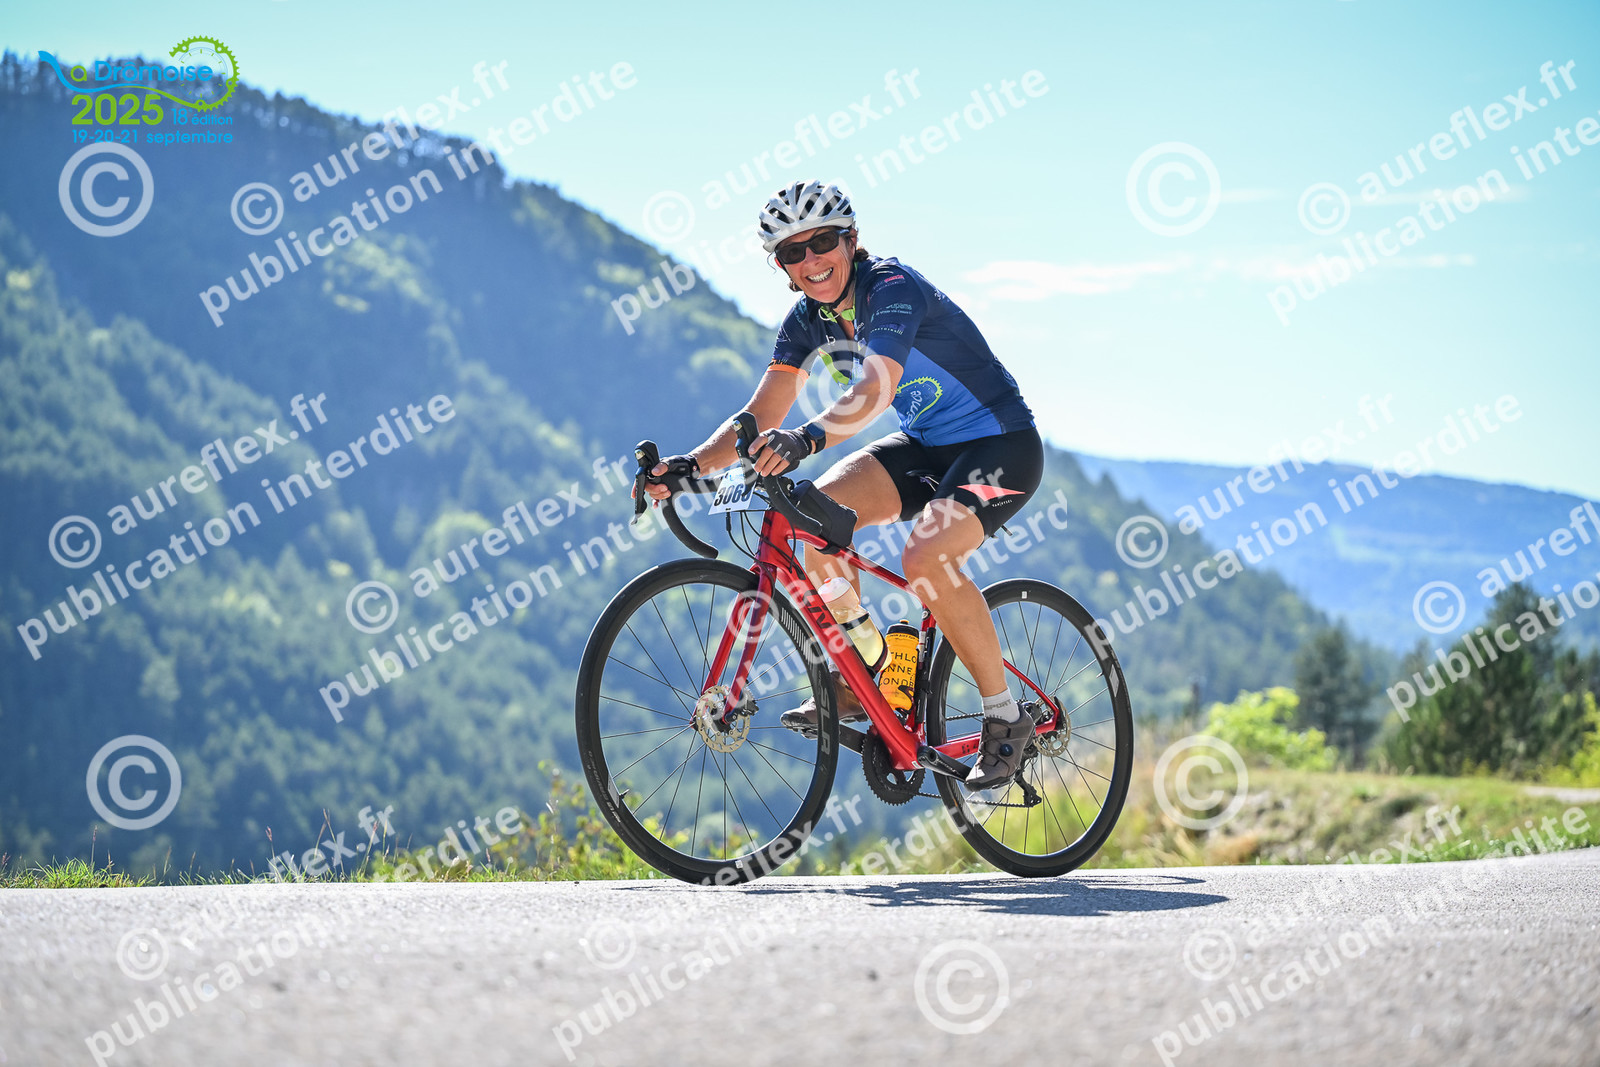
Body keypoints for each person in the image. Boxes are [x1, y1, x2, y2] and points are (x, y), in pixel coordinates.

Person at [642, 180, 1044, 790]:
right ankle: (868, 670)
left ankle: (1006, 717)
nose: (811, 260)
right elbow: (762, 411)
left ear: (851, 240)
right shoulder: (807, 321)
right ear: (781, 267)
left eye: (823, 242)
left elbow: (877, 386)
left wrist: (805, 440)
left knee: (925, 559)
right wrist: (691, 466)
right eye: (792, 252)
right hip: (927, 446)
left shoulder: (891, 287)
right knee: (815, 519)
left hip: (1000, 444)